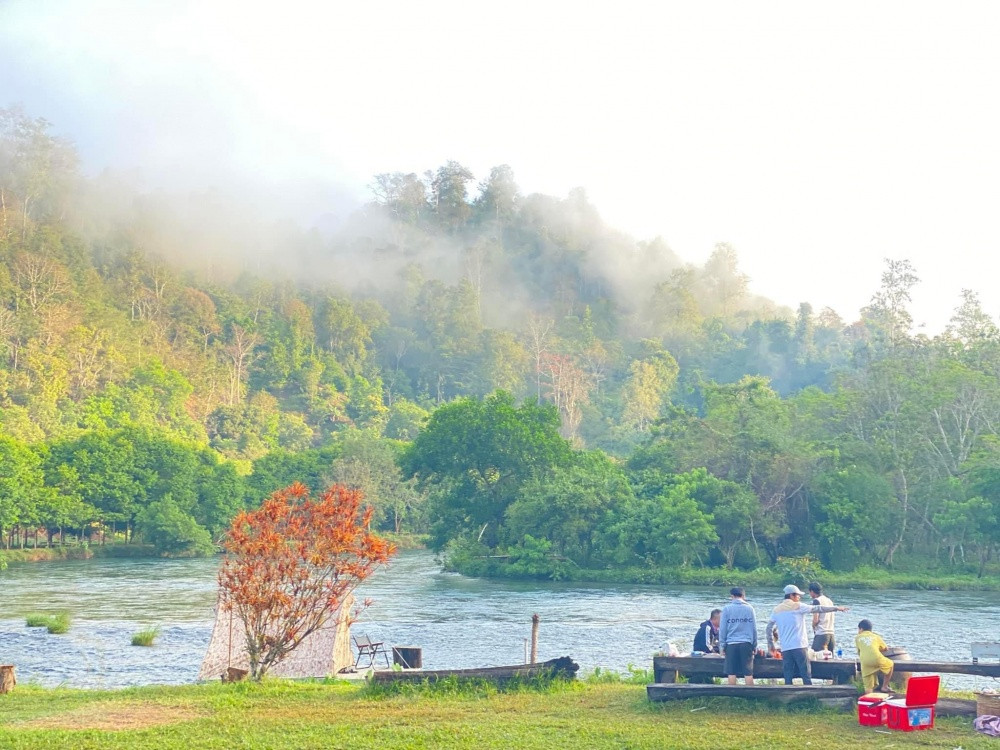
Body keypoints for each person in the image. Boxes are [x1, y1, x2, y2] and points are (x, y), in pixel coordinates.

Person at [766, 584, 848, 685]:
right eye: (798, 595)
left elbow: (769, 628)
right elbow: (818, 608)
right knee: (805, 674)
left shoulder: (776, 610)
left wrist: (771, 645)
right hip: (799, 646)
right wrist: (837, 608)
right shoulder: (799, 606)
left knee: (788, 675)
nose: (799, 597)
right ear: (792, 595)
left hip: (785, 648)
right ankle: (809, 694)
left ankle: (788, 696)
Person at [719, 587, 757, 685]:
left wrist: (722, 645)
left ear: (732, 596)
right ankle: (751, 696)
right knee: (748, 672)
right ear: (743, 596)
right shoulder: (750, 608)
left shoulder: (727, 609)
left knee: (731, 672)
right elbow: (753, 628)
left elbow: (723, 629)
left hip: (731, 643)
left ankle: (732, 695)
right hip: (746, 643)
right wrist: (754, 645)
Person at [855, 619, 894, 693]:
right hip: (876, 658)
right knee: (890, 664)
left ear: (861, 629)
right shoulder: (876, 636)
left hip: (865, 661)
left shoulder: (857, 638)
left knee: (868, 686)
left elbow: (859, 651)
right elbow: (885, 648)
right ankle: (885, 686)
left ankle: (868, 701)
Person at [808, 581, 836, 652]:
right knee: (829, 658)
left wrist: (813, 626)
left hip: (821, 634)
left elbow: (815, 620)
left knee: (816, 657)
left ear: (812, 591)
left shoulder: (816, 601)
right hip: (831, 634)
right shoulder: (829, 600)